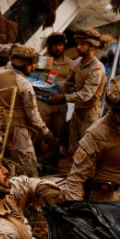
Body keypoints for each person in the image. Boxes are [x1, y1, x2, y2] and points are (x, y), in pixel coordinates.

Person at [0, 44, 53, 175]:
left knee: (6, 159)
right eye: (31, 64)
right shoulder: (24, 84)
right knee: (29, 161)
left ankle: (9, 182)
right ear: (23, 64)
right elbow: (32, 114)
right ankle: (33, 181)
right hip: (18, 129)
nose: (33, 67)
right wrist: (45, 131)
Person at [52, 27, 106, 152]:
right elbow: (68, 83)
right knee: (73, 149)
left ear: (92, 46)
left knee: (87, 151)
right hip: (77, 112)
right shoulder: (78, 63)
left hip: (90, 114)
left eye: (82, 44)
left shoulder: (97, 68)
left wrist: (62, 98)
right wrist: (50, 88)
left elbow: (86, 94)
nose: (78, 47)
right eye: (77, 44)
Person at [37, 32, 78, 165]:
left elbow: (73, 84)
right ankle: (39, 163)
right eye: (54, 45)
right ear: (49, 47)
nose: (57, 48)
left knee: (57, 134)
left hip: (61, 105)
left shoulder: (70, 63)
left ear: (64, 46)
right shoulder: (44, 61)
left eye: (60, 45)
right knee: (41, 134)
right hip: (45, 103)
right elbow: (38, 83)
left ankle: (53, 162)